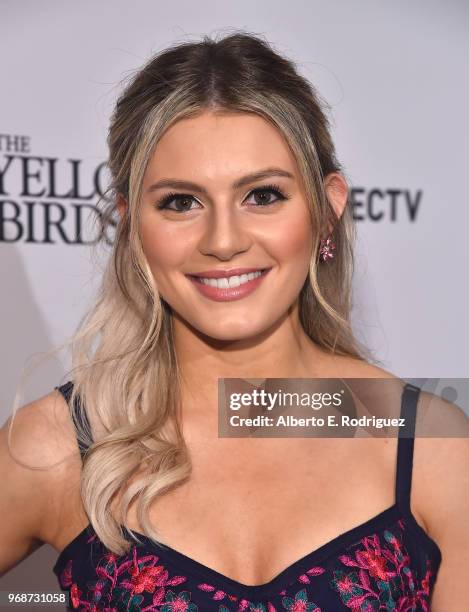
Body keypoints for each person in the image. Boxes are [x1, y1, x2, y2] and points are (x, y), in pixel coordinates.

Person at [1, 31, 467, 611]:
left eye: (263, 195)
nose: (223, 241)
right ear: (130, 225)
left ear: (327, 209)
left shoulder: (434, 447)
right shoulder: (58, 445)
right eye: (180, 202)